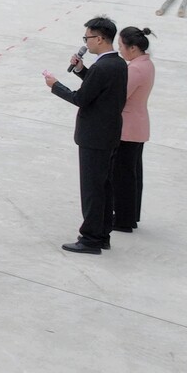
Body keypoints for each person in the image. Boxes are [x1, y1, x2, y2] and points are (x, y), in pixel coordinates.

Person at [43, 17, 129, 255]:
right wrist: (82, 71)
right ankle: (102, 234)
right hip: (109, 133)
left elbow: (81, 98)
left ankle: (90, 238)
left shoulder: (103, 67)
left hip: (94, 136)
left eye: (87, 38)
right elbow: (99, 89)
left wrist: (55, 85)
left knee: (92, 188)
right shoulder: (117, 64)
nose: (86, 43)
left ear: (99, 38)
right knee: (104, 186)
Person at [113, 26, 156, 235]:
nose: (119, 50)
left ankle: (123, 218)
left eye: (121, 46)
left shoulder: (135, 69)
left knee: (123, 175)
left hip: (128, 128)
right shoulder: (146, 64)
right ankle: (130, 215)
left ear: (132, 48)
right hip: (138, 125)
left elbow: (119, 95)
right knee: (132, 173)